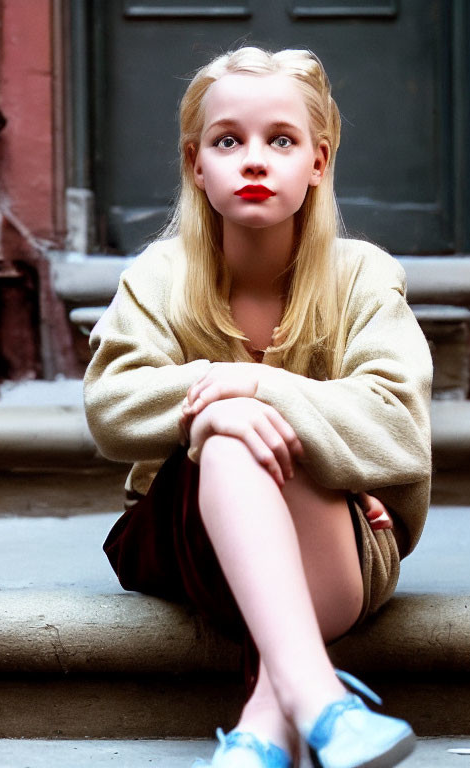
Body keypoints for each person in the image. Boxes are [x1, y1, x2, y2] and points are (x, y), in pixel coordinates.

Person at [83, 46, 432, 768]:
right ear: (195, 163)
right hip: (186, 542)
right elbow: (111, 405)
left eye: (281, 140)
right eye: (226, 140)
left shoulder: (362, 276)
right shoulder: (158, 277)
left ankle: (270, 725)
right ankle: (323, 703)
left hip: (346, 546)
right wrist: (217, 402)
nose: (252, 159)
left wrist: (261, 386)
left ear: (319, 162)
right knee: (229, 431)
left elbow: (398, 427)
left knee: (245, 417)